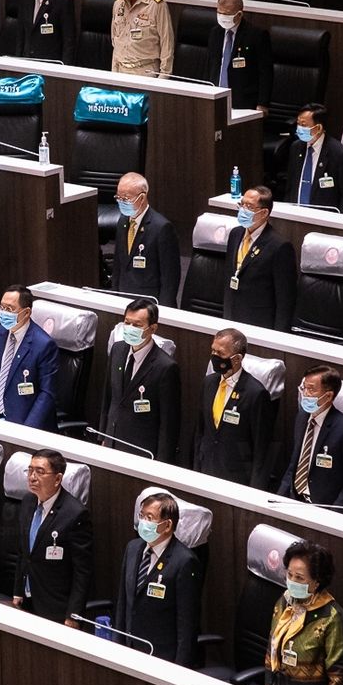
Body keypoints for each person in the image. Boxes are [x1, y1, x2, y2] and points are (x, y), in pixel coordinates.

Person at [114, 491, 202, 666]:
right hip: (130, 649)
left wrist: (180, 669)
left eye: (149, 517)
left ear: (167, 525)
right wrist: (118, 646)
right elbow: (123, 603)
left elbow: (186, 624)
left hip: (162, 657)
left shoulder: (184, 561)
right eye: (141, 515)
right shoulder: (132, 548)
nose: (142, 522)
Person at [263, 540, 343, 685]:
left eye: (299, 578)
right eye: (289, 575)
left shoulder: (332, 618)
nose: (292, 581)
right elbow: (271, 647)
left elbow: (339, 676)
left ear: (316, 582)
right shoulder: (284, 602)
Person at [12, 449, 92, 625]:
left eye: (40, 472)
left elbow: (82, 571)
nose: (32, 477)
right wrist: (18, 590)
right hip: (27, 599)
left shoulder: (75, 514)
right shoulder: (28, 502)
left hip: (55, 607)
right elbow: (23, 553)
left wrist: (73, 615)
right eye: (30, 470)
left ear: (57, 479)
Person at [98, 298, 181, 462]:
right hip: (112, 441)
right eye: (127, 323)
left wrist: (162, 461)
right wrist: (103, 436)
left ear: (152, 329)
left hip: (142, 450)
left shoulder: (165, 367)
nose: (129, 329)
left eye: (137, 325)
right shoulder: (118, 349)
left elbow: (169, 422)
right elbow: (108, 397)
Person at [193, 327, 275, 488]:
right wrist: (196, 468)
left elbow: (261, 448)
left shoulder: (255, 393)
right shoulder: (208, 383)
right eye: (213, 351)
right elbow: (200, 430)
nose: (214, 357)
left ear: (237, 358)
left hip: (237, 477)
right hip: (206, 469)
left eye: (221, 354)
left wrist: (255, 489)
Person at [277, 365, 343, 509]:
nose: (305, 394)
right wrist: (278, 499)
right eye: (303, 388)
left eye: (311, 389)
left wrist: (335, 513)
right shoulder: (302, 416)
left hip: (324, 508)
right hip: (294, 501)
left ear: (329, 396)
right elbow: (296, 463)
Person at [0, 286, 59, 430]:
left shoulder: (43, 344)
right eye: (1, 307)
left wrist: (26, 432)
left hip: (25, 425)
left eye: (9, 309)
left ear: (26, 312)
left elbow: (46, 394)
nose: (3, 313)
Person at [224, 186, 297, 331]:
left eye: (249, 206)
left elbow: (285, 300)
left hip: (260, 324)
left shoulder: (280, 246)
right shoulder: (235, 234)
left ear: (264, 213)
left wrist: (279, 335)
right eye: (241, 204)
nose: (242, 210)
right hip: (232, 317)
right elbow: (229, 278)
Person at [111, 172, 181, 305]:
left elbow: (170, 278)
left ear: (142, 198)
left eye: (125, 199)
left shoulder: (162, 228)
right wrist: (114, 296)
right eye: (118, 198)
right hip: (123, 297)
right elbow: (118, 265)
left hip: (149, 303)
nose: (121, 203)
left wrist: (164, 312)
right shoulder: (122, 222)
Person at [284, 102, 343, 212]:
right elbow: (290, 186)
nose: (298, 129)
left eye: (303, 125)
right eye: (298, 124)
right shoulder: (296, 147)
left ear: (318, 128)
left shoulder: (339, 154)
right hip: (295, 214)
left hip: (324, 219)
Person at [207, 0, 272, 112]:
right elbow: (212, 64)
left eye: (226, 14)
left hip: (244, 101)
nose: (222, 17)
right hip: (216, 95)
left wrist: (262, 103)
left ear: (239, 14)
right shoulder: (215, 33)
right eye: (219, 12)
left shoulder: (256, 35)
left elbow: (265, 72)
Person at [111, 0, 173, 77]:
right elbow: (115, 40)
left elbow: (167, 44)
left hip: (145, 71)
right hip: (120, 70)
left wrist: (163, 77)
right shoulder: (118, 3)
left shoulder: (157, 5)